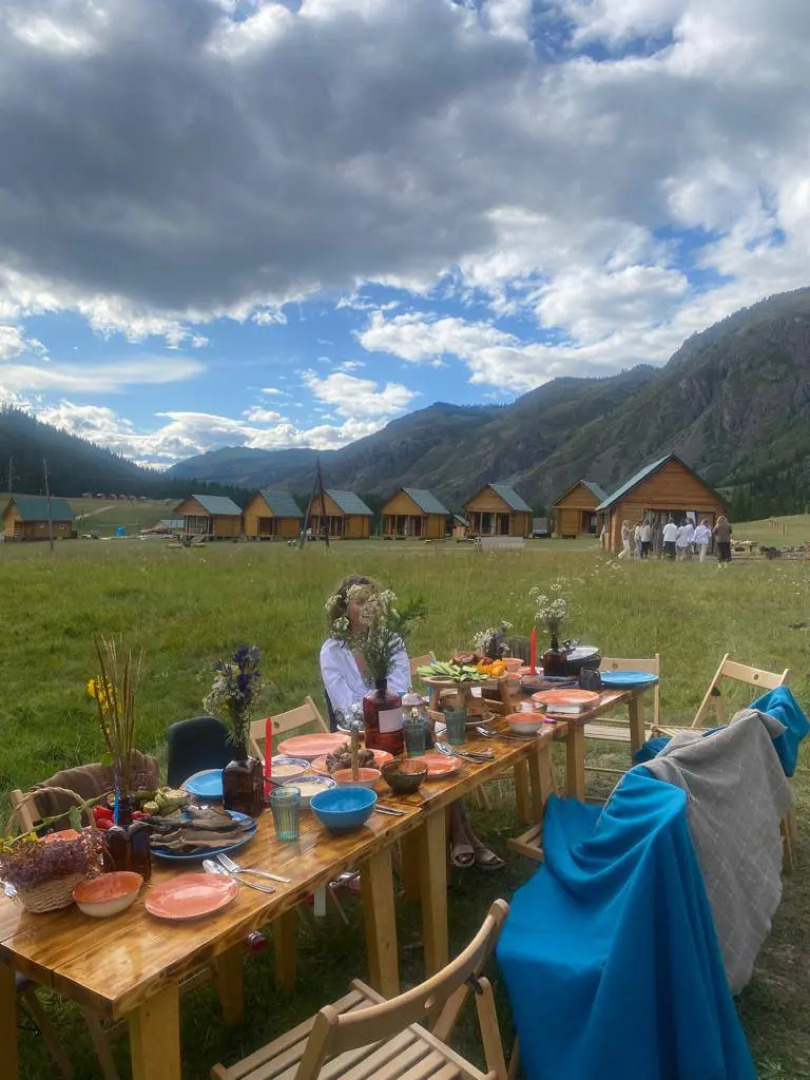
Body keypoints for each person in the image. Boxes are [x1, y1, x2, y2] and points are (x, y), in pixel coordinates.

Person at [320, 575, 503, 870]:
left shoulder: (391, 640)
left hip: (396, 724)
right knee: (425, 749)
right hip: (357, 738)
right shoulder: (332, 651)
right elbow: (345, 705)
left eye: (372, 600)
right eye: (359, 601)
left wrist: (383, 703)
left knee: (432, 752)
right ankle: (464, 838)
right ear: (344, 608)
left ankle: (461, 836)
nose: (367, 607)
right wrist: (380, 703)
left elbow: (400, 687)